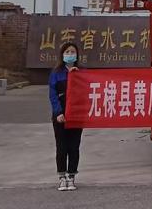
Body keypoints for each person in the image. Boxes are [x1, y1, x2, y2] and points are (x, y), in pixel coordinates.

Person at [49, 42, 83, 191]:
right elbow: (53, 94)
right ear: (62, 55)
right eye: (67, 52)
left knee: (74, 147)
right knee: (62, 147)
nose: (70, 54)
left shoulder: (81, 72)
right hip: (60, 115)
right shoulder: (56, 73)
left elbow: (86, 92)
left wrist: (75, 75)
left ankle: (71, 176)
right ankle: (62, 177)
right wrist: (58, 112)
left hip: (77, 115)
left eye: (72, 52)